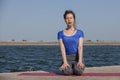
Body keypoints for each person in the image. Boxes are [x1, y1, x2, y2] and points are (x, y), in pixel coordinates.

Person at [57, 10, 85, 75]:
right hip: (67, 58)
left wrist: (80, 61)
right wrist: (64, 62)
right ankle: (67, 66)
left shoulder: (80, 32)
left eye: (71, 18)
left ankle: (76, 67)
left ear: (74, 19)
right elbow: (62, 48)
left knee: (78, 71)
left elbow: (80, 47)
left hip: (77, 57)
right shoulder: (60, 33)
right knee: (68, 72)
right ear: (64, 20)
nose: (69, 20)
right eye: (67, 18)